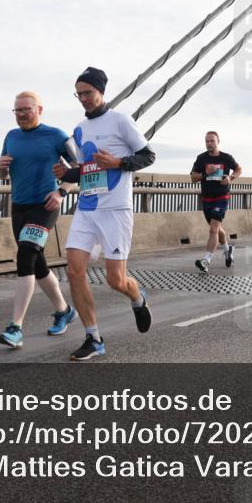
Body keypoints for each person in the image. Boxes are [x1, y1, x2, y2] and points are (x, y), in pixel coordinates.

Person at [52, 68, 156, 360]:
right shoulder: (79, 129)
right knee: (74, 270)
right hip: (87, 207)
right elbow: (88, 169)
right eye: (79, 94)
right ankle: (93, 338)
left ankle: (137, 297)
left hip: (115, 210)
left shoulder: (121, 120)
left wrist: (119, 162)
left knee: (115, 280)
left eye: (88, 92)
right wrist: (68, 172)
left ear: (101, 92)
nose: (84, 98)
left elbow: (148, 155)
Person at [0, 91, 75, 349]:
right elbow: (1, 173)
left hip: (45, 205)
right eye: (17, 111)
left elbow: (81, 168)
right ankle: (64, 311)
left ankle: (15, 327)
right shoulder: (11, 136)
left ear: (39, 109)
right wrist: (1, 166)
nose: (21, 115)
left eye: (26, 110)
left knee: (26, 256)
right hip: (19, 206)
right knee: (38, 264)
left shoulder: (57, 136)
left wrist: (61, 191)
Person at [191, 131, 241, 272]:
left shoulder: (226, 158)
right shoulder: (201, 158)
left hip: (221, 197)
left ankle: (206, 260)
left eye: (212, 141)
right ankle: (227, 250)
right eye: (207, 141)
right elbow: (193, 177)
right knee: (217, 229)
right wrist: (206, 173)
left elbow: (238, 169)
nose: (209, 143)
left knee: (213, 229)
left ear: (218, 141)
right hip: (207, 198)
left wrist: (230, 178)